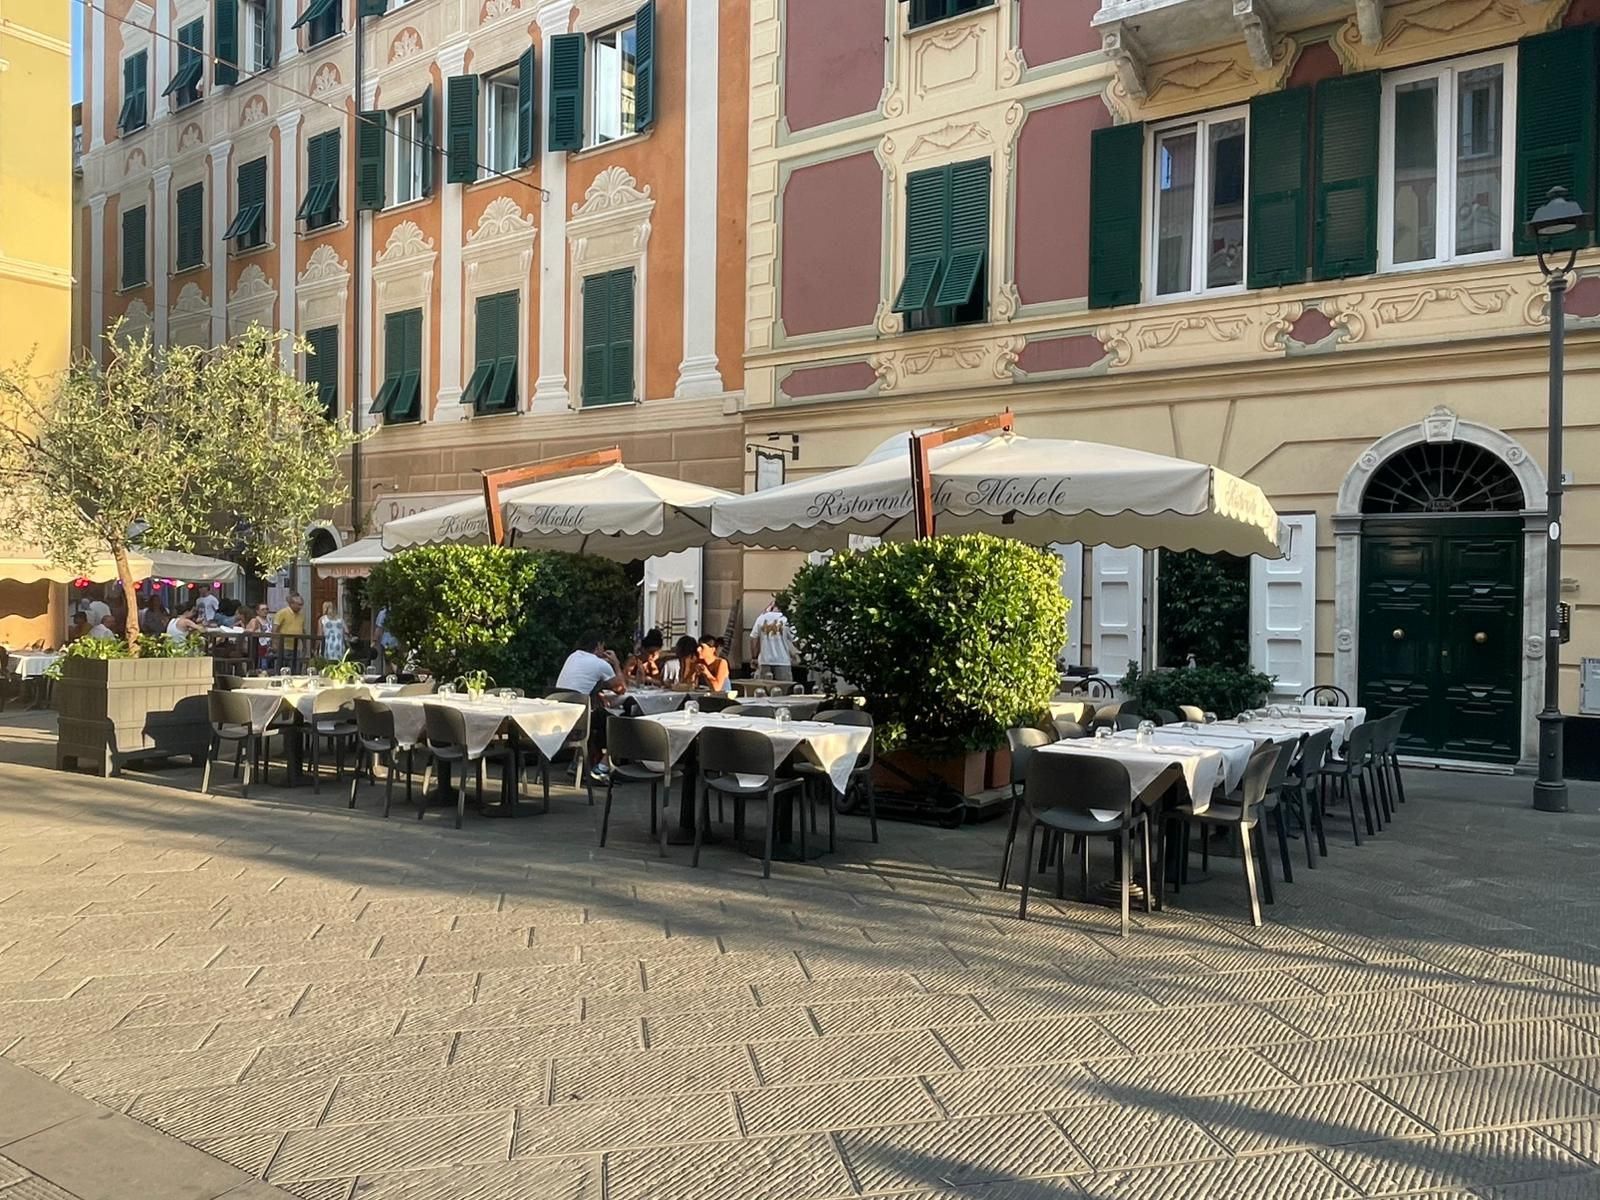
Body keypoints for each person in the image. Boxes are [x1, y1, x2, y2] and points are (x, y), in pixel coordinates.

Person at [556, 633, 625, 698]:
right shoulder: (600, 664)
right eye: (603, 646)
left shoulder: (573, 655)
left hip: (558, 698)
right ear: (598, 645)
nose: (603, 649)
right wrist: (616, 663)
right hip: (577, 702)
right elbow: (621, 689)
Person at [749, 601, 798, 683]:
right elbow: (796, 640)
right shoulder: (786, 619)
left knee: (764, 690)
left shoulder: (761, 618)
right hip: (783, 661)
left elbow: (754, 639)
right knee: (783, 690)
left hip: (765, 661)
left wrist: (754, 657)